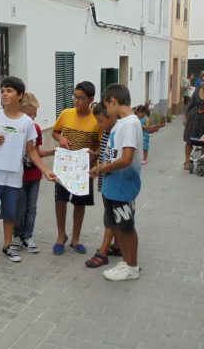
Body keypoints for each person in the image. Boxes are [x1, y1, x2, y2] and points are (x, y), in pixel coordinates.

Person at [0, 77, 56, 266]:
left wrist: (46, 170)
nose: (4, 94)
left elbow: (31, 151)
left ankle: (8, 245)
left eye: (9, 91)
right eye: (2, 91)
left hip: (14, 177)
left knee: (10, 214)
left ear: (20, 95)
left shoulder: (27, 123)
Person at [89, 84, 143, 281]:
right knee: (118, 225)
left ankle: (132, 267)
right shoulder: (121, 123)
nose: (107, 111)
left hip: (123, 187)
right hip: (113, 186)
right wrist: (101, 164)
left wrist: (102, 168)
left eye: (107, 106)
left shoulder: (130, 123)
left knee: (127, 227)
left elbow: (126, 159)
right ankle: (127, 262)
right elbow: (113, 154)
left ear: (113, 101)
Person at [51, 81, 101, 255]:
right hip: (64, 166)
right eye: (75, 96)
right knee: (60, 201)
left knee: (80, 204)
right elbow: (55, 132)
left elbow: (100, 145)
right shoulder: (66, 113)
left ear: (91, 99)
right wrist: (61, 139)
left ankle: (75, 238)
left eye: (82, 98)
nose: (77, 101)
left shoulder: (96, 119)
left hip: (84, 169)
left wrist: (94, 154)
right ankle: (60, 236)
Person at [11, 93, 55, 253]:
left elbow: (36, 152)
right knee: (19, 208)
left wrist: (51, 152)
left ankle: (28, 236)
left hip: (34, 176)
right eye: (28, 114)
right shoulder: (14, 126)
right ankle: (17, 235)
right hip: (19, 176)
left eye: (34, 114)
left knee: (31, 207)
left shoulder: (36, 128)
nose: (32, 117)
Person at [85, 103, 120, 268]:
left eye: (100, 120)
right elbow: (108, 153)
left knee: (110, 217)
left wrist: (99, 168)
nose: (98, 124)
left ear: (111, 117)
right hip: (106, 179)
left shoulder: (117, 133)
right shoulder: (107, 132)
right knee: (112, 214)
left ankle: (103, 253)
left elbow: (115, 159)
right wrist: (97, 154)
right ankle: (118, 245)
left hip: (113, 180)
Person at [183, 80, 204, 170]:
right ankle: (187, 160)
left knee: (203, 142)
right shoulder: (196, 91)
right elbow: (190, 103)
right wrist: (185, 116)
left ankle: (202, 161)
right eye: (203, 80)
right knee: (189, 141)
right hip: (193, 119)